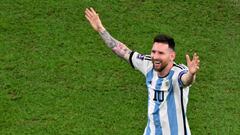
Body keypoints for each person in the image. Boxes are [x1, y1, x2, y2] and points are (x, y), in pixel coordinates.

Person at [85, 7, 200, 135]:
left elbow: (186, 80)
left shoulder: (178, 72)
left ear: (172, 56)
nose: (155, 56)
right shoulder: (148, 64)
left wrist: (191, 73)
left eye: (161, 53)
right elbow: (122, 51)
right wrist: (101, 29)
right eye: (153, 51)